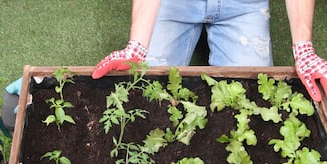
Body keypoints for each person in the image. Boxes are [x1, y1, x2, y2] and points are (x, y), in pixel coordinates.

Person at [92, 0, 327, 103]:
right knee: (146, 95)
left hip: (244, 6)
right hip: (173, 3)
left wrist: (304, 46)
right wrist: (138, 44)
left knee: (252, 100)